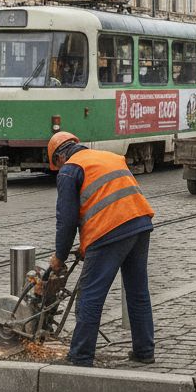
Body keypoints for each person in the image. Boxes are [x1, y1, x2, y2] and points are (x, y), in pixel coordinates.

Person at [46, 131, 155, 367]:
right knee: (138, 292)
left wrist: (59, 257)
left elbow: (66, 220)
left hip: (110, 230)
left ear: (59, 158)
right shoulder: (108, 156)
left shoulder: (69, 169)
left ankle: (80, 356)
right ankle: (144, 351)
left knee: (90, 295)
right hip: (140, 223)